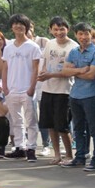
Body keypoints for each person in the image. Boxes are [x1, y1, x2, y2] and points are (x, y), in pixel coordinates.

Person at [61, 22, 95, 170]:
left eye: (86, 33)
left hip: (92, 96)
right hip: (75, 95)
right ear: (76, 35)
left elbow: (92, 75)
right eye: (80, 34)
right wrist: (81, 70)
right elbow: (64, 71)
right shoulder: (73, 52)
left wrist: (74, 71)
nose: (83, 37)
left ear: (91, 34)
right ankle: (80, 157)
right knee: (78, 129)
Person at [0, 14, 41, 162]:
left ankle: (31, 148)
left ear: (27, 27)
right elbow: (5, 68)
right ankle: (19, 147)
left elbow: (36, 69)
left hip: (27, 89)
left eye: (21, 24)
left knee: (31, 121)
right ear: (12, 27)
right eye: (15, 24)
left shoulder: (33, 46)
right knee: (16, 120)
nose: (18, 26)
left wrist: (32, 88)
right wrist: (5, 87)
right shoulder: (8, 48)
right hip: (12, 89)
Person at [37, 16, 77, 165]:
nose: (59, 32)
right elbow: (45, 62)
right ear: (50, 30)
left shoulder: (73, 47)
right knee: (50, 125)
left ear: (68, 29)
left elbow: (69, 71)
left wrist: (50, 75)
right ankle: (57, 154)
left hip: (64, 91)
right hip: (48, 89)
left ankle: (69, 155)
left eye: (62, 29)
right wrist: (43, 73)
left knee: (62, 126)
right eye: (55, 29)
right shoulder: (50, 44)